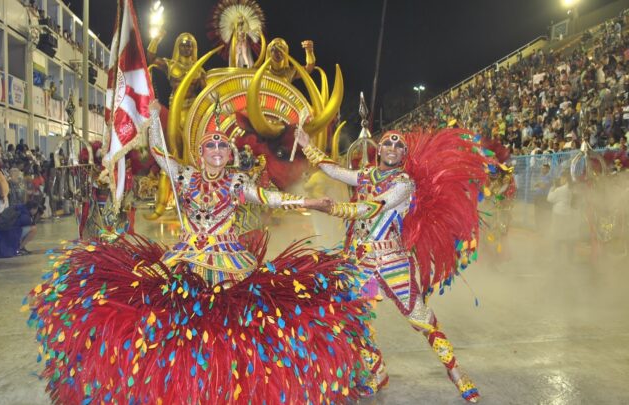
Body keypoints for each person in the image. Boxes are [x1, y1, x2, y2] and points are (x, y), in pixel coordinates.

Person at [26, 100, 380, 403]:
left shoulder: (237, 181)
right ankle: (180, 384)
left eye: (221, 147)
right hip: (185, 256)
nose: (215, 153)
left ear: (230, 154)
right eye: (210, 147)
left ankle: (225, 384)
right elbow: (161, 156)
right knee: (174, 321)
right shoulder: (184, 177)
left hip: (228, 260)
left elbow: (271, 198)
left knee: (230, 325)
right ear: (200, 153)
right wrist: (151, 120)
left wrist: (309, 201)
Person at [296, 128, 487, 403]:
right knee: (355, 318)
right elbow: (335, 171)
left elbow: (372, 208)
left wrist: (334, 208)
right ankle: (376, 372)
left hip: (392, 261)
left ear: (404, 155)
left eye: (398, 147)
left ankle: (456, 371)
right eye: (388, 144)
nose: (392, 149)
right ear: (379, 149)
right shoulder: (367, 175)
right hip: (360, 261)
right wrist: (307, 146)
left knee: (420, 319)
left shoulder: (404, 183)